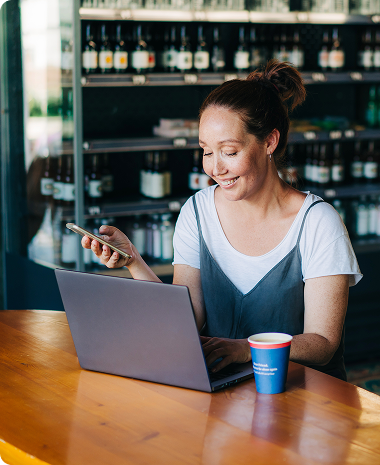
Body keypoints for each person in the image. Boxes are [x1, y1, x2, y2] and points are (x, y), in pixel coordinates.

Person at [82, 60, 362, 381]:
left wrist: (244, 349)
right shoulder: (197, 212)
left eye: (229, 151)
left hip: (306, 399)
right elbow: (185, 321)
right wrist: (133, 261)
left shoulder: (318, 223)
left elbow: (323, 343)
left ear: (269, 142)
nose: (215, 168)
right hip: (226, 395)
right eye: (205, 151)